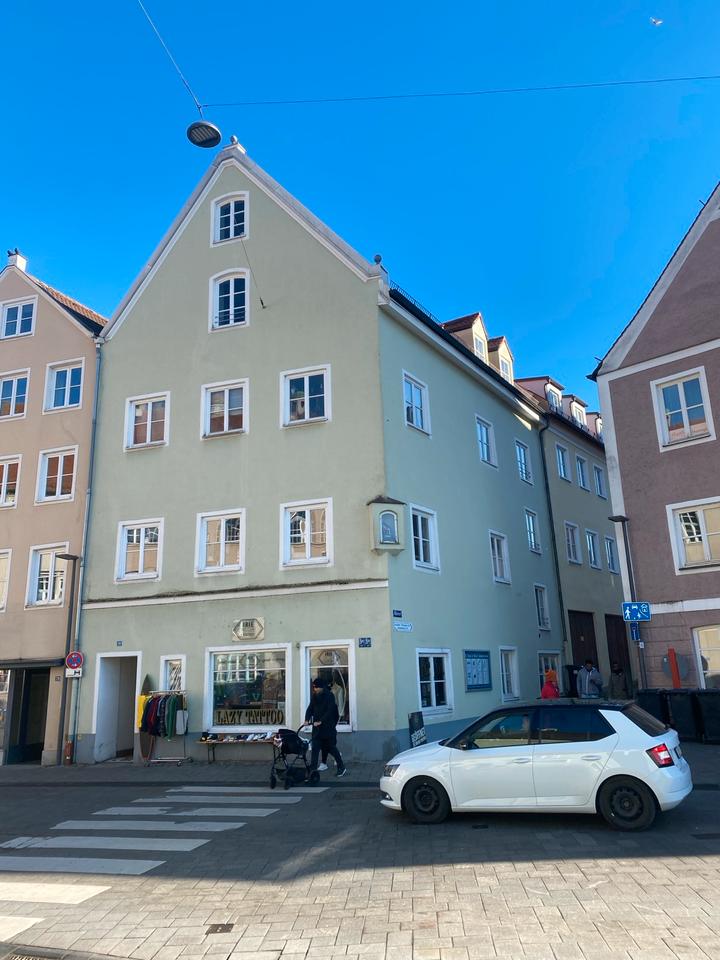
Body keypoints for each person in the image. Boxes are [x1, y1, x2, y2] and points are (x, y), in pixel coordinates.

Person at [305, 677, 347, 777]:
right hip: (317, 729)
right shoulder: (315, 696)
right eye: (314, 687)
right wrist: (307, 719)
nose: (314, 689)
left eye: (316, 687)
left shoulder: (329, 696)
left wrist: (321, 721)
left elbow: (330, 710)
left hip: (328, 728)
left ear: (321, 687)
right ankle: (313, 770)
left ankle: (341, 767)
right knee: (315, 748)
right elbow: (310, 708)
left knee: (331, 748)